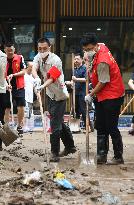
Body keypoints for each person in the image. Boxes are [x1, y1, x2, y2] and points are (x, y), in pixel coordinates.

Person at [82, 33, 125, 164]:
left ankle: (118, 157)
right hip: (102, 95)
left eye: (89, 49)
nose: (87, 52)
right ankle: (102, 155)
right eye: (85, 50)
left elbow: (103, 81)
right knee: (100, 125)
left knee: (111, 127)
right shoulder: (101, 47)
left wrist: (91, 94)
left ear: (95, 46)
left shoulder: (102, 61)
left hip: (112, 95)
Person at [32, 37, 76, 162]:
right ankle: (70, 146)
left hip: (59, 94)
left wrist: (41, 86)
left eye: (44, 48)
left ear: (49, 47)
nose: (42, 50)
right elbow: (34, 68)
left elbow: (52, 78)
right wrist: (36, 79)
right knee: (58, 121)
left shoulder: (56, 60)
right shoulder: (38, 57)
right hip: (50, 93)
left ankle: (54, 153)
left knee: (55, 124)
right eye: (40, 48)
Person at [4, 42, 26, 140]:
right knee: (7, 107)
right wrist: (5, 83)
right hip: (6, 86)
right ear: (5, 50)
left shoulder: (20, 58)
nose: (10, 52)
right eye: (8, 50)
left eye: (11, 50)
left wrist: (14, 75)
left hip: (18, 86)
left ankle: (19, 126)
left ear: (14, 50)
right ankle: (6, 128)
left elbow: (24, 71)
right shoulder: (2, 58)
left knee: (21, 106)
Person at [66, 53, 87, 129]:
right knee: (76, 110)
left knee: (83, 110)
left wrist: (76, 79)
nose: (76, 60)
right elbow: (73, 81)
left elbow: (86, 79)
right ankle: (76, 127)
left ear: (81, 59)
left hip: (82, 92)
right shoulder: (74, 69)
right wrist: (69, 83)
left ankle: (87, 126)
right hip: (75, 92)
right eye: (75, 59)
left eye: (77, 59)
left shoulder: (84, 68)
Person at [24, 62, 35, 132]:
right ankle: (24, 127)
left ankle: (30, 127)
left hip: (30, 97)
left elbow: (34, 87)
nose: (32, 69)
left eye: (33, 67)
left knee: (30, 112)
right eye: (31, 67)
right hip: (24, 97)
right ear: (27, 67)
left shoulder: (32, 77)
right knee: (25, 112)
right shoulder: (23, 75)